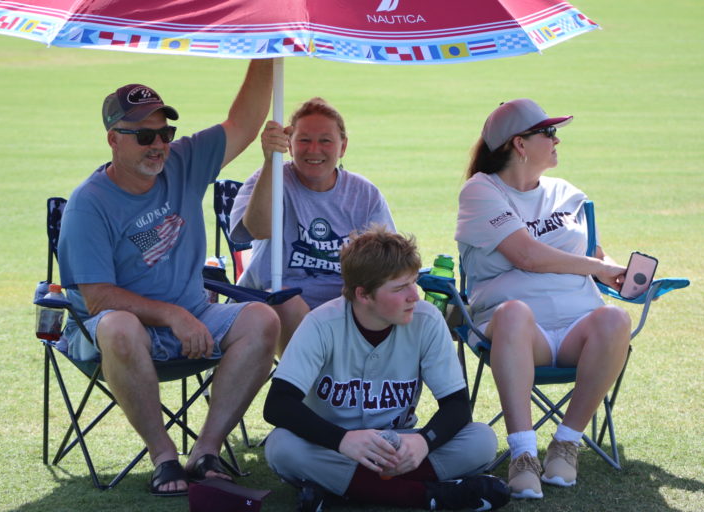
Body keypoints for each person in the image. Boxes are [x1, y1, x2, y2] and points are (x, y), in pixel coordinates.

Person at [57, 60, 280, 497]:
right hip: (113, 337)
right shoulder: (89, 205)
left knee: (263, 320)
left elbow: (244, 122)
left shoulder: (184, 163)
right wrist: (173, 315)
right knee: (120, 325)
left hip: (192, 320)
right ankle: (163, 457)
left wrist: (267, 49)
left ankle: (206, 452)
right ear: (113, 141)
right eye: (144, 136)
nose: (158, 145)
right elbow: (99, 299)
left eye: (165, 134)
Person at [455, 99, 632, 499]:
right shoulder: (481, 190)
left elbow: (596, 255)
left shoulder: (566, 192)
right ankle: (522, 453)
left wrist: (619, 272)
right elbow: (527, 256)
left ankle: (566, 443)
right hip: (515, 334)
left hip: (576, 329)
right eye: (548, 133)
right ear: (519, 144)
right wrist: (597, 268)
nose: (557, 141)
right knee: (515, 313)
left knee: (615, 319)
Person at [263, 226, 510, 512]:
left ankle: (340, 495)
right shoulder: (321, 324)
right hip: (332, 446)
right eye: (399, 288)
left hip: (398, 447)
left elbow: (456, 407)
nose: (414, 296)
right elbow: (278, 404)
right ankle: (431, 497)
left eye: (413, 282)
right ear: (363, 294)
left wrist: (423, 443)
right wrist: (342, 440)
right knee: (281, 446)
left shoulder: (426, 320)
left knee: (481, 439)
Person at [229, 97, 396, 355]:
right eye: (304, 140)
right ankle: (305, 390)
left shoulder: (364, 194)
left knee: (405, 305)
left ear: (343, 147)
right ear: (290, 144)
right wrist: (270, 162)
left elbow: (389, 264)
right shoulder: (269, 180)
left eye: (326, 140)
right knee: (287, 302)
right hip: (270, 302)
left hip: (344, 305)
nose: (314, 149)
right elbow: (258, 229)